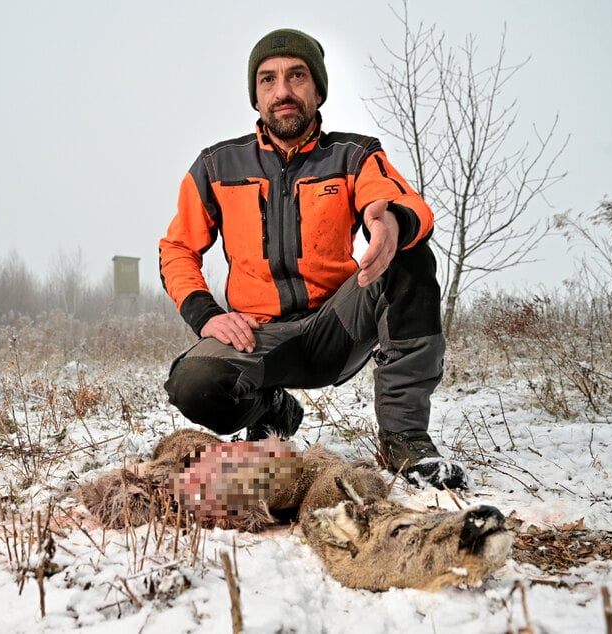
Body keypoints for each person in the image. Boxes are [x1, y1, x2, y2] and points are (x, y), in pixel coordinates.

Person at [158, 28, 467, 490]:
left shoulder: (355, 154)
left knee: (409, 255)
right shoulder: (215, 167)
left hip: (335, 327)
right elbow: (177, 248)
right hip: (258, 338)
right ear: (256, 96)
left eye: (296, 76)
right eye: (267, 80)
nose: (282, 91)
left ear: (317, 88)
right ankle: (274, 410)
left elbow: (400, 202)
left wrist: (391, 223)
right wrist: (206, 316)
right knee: (193, 384)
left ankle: (404, 439)